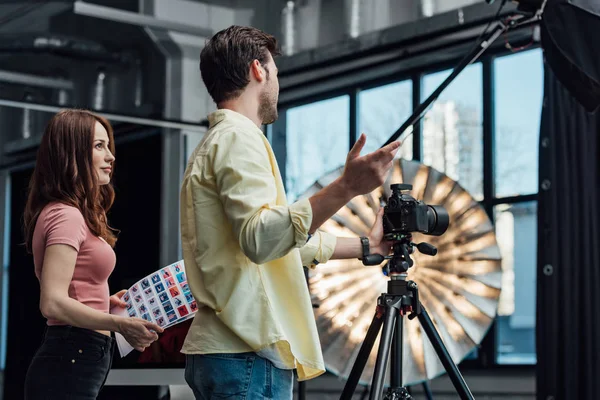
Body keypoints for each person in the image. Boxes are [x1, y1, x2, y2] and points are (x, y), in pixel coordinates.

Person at [179, 25, 401, 399]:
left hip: (230, 353)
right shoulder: (239, 138)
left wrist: (367, 247)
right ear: (258, 70)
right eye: (276, 73)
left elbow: (280, 243)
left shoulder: (218, 141)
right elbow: (262, 238)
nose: (277, 84)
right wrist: (346, 187)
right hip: (246, 355)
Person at [22, 109, 164, 400]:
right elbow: (52, 303)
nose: (111, 156)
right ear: (72, 154)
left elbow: (73, 290)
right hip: (70, 354)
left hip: (77, 354)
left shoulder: (70, 214)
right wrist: (119, 323)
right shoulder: (66, 216)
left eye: (108, 146)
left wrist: (105, 304)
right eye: (99, 146)